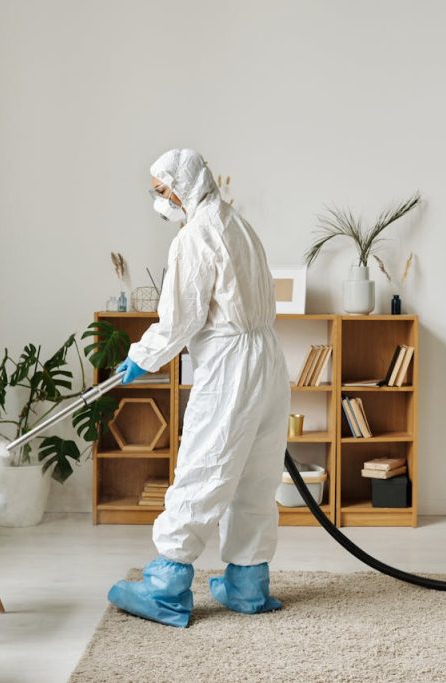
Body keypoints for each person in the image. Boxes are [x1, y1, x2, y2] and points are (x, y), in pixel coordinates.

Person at [107, 149, 289, 628]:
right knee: (256, 473)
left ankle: (166, 588)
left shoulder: (194, 236)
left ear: (181, 187)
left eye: (162, 191)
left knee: (203, 466)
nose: (159, 201)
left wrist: (141, 356)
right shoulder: (238, 223)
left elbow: (180, 319)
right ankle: (248, 585)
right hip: (269, 358)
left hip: (231, 364)